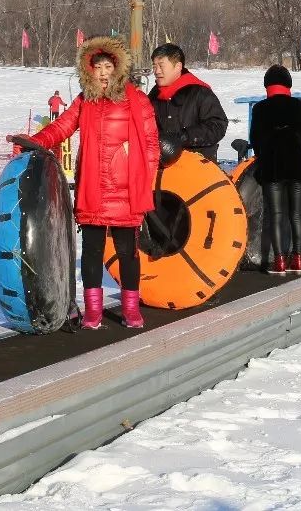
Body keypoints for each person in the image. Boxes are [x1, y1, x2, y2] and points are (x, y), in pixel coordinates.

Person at [29, 37, 160, 329]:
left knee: (128, 252)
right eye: (97, 67)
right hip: (93, 188)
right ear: (89, 71)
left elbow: (151, 144)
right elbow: (62, 126)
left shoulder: (136, 99)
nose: (103, 72)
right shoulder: (83, 101)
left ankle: (130, 309)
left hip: (127, 188)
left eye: (108, 66)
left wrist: (144, 179)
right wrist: (35, 141)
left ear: (118, 69)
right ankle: (93, 311)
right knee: (91, 251)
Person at [249, 65, 301, 274]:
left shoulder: (260, 108)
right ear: (288, 84)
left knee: (275, 215)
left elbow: (255, 139)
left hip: (272, 168)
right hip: (297, 167)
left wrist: (267, 152)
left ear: (267, 85)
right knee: (295, 215)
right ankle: (298, 259)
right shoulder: (300, 106)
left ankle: (279, 262)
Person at [149, 43, 229, 162]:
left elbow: (218, 125)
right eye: (154, 66)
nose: (156, 71)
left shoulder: (199, 92)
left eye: (161, 66)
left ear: (178, 67)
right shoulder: (154, 95)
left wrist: (184, 137)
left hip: (198, 167)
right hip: (163, 167)